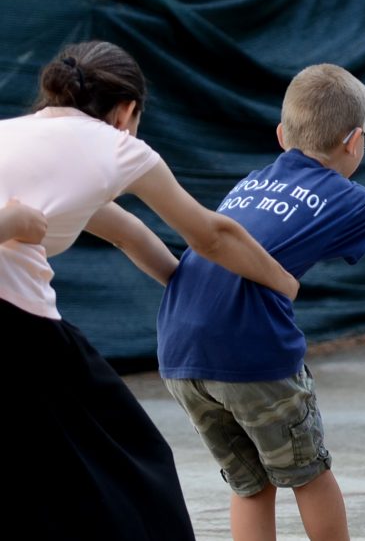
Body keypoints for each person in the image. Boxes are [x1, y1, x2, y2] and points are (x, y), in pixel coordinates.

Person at [157, 62, 365, 541]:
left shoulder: (253, 182)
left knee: (250, 484)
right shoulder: (341, 194)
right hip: (252, 352)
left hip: (179, 351)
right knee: (309, 474)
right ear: (354, 141)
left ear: (282, 134)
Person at [1, 40, 302, 541]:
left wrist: (184, 288)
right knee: (135, 459)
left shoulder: (16, 135)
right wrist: (283, 284)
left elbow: (127, 232)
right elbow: (211, 234)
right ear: (127, 110)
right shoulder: (118, 146)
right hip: (21, 321)